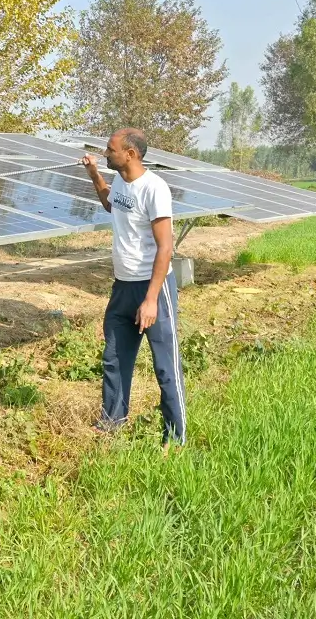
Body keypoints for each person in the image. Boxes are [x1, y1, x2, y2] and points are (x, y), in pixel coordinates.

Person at [81, 128, 186, 449]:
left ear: (131, 154)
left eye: (110, 150)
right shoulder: (122, 185)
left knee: (165, 366)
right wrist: (94, 173)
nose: (105, 152)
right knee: (114, 358)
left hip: (152, 289)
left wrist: (152, 300)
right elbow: (110, 204)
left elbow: (165, 247)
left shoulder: (154, 189)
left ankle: (175, 438)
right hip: (122, 286)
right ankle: (112, 423)